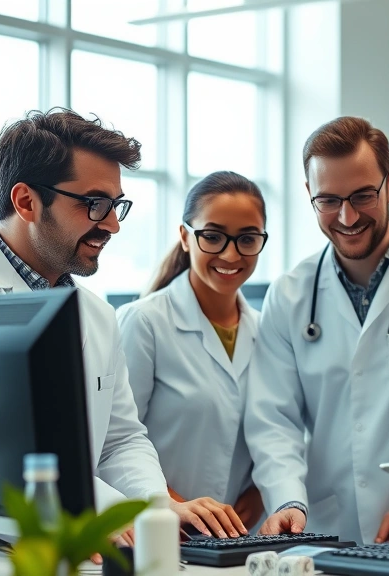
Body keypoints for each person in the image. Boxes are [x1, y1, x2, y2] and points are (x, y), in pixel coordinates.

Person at [0, 109, 247, 541]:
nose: (113, 224)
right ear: (26, 201)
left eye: (117, 205)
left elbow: (121, 440)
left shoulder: (96, 315)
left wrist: (158, 509)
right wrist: (114, 513)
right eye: (95, 204)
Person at [244, 116, 389, 545]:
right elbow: (272, 420)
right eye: (329, 200)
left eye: (362, 196)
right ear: (309, 196)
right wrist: (286, 501)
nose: (347, 216)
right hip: (322, 527)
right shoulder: (290, 294)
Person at [117, 171, 268, 535]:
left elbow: (281, 432)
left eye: (247, 239)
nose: (231, 254)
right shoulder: (144, 323)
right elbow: (114, 442)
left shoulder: (268, 332)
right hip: (159, 531)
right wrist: (175, 505)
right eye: (212, 237)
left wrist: (263, 492)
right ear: (185, 237)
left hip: (237, 539)